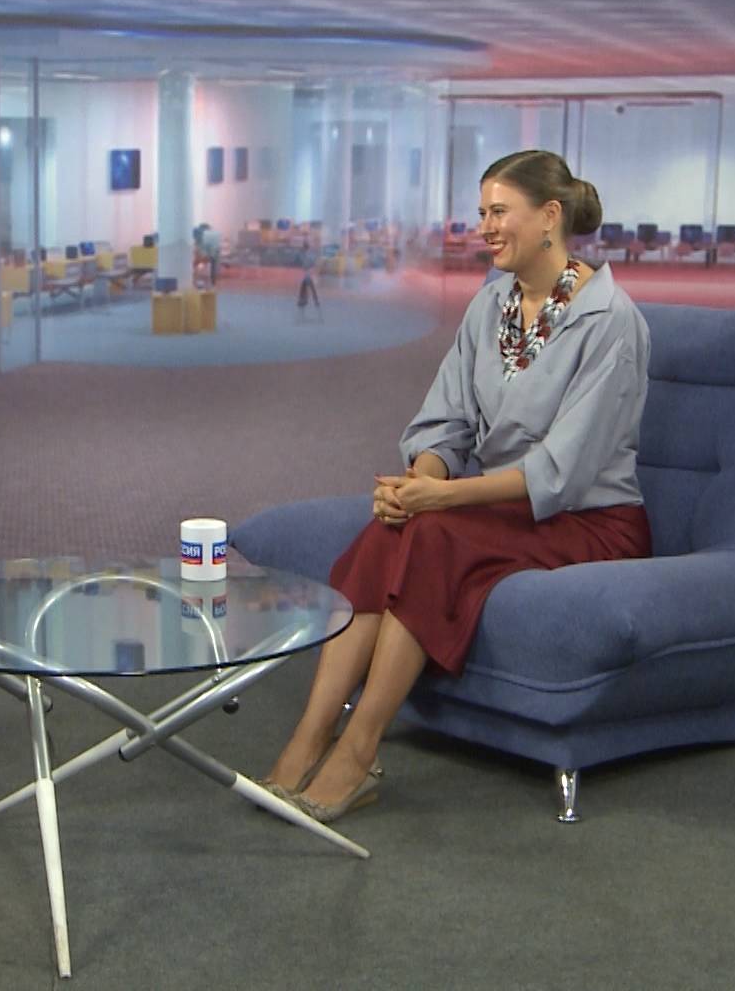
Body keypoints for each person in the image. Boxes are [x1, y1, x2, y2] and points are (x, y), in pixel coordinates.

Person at [261, 150, 653, 823]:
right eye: (482, 213)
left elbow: (559, 473)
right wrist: (419, 483)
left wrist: (440, 500)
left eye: (500, 212)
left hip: (590, 523)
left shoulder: (610, 321)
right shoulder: (492, 303)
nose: (485, 227)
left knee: (434, 535)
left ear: (549, 217)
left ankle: (358, 752)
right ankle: (308, 738)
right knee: (393, 528)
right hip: (508, 511)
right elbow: (445, 423)